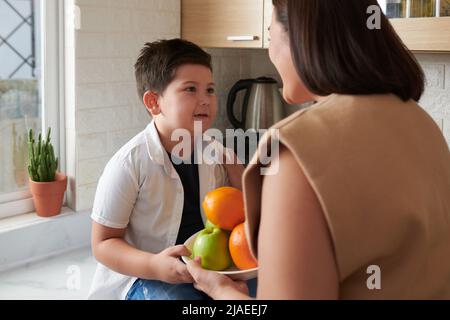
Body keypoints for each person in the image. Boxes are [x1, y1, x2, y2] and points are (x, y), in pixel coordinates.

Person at [187, 0, 450, 299]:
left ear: (301, 40)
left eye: (271, 37)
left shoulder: (297, 152)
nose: (270, 51)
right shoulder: (423, 124)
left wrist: (220, 292)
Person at [87, 39, 255, 300]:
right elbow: (103, 244)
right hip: (145, 276)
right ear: (154, 102)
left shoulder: (217, 154)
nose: (205, 100)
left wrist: (237, 172)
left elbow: (243, 220)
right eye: (191, 89)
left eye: (210, 90)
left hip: (208, 268)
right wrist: (155, 266)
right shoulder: (129, 163)